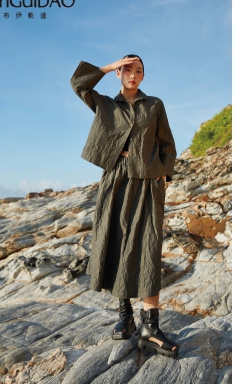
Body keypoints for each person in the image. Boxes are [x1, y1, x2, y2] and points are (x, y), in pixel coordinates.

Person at [70, 55, 179, 358]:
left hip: (148, 180)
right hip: (115, 179)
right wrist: (108, 66)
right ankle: (125, 316)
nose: (133, 75)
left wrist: (164, 174)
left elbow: (167, 143)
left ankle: (150, 327)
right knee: (117, 242)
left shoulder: (154, 105)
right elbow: (78, 84)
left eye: (138, 71)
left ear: (143, 76)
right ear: (119, 73)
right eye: (128, 70)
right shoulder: (105, 104)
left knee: (148, 245)